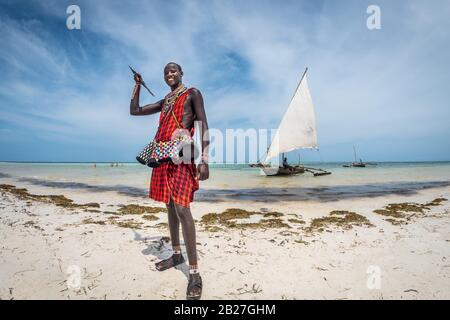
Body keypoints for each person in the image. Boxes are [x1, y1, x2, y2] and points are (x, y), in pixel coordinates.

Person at [130, 62, 209, 300]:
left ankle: (194, 273)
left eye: (173, 70)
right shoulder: (164, 101)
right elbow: (134, 110)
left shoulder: (192, 93)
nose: (169, 74)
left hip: (182, 153)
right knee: (169, 205)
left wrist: (204, 158)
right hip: (161, 155)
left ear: (181, 73)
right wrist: (137, 87)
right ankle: (176, 255)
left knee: (183, 208)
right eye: (166, 72)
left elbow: (203, 124)